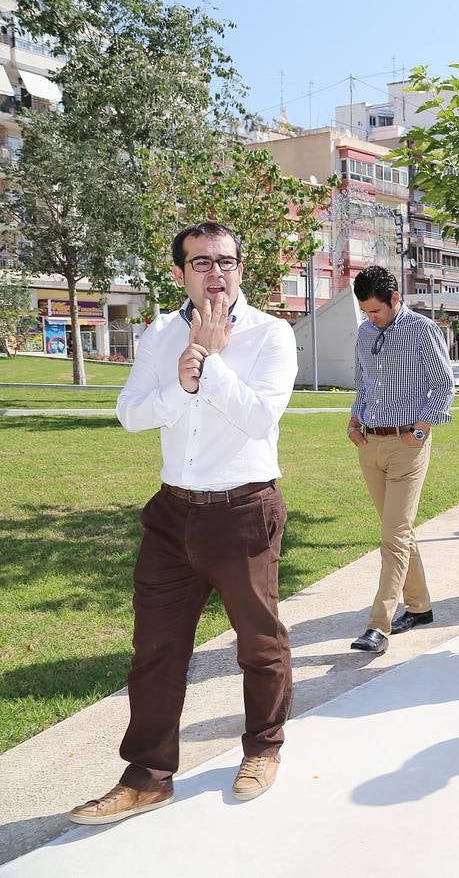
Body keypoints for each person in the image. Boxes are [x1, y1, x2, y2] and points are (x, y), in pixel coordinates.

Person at [71, 222, 297, 825]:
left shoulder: (273, 336)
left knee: (259, 642)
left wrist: (212, 362)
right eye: (201, 262)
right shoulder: (158, 335)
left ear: (242, 268)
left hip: (245, 511)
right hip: (172, 515)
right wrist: (183, 379)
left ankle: (262, 748)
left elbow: (258, 419)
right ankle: (147, 777)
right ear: (179, 273)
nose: (215, 272)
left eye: (226, 261)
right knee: (155, 651)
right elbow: (130, 414)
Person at [346, 266, 454, 654]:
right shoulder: (364, 331)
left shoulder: (422, 329)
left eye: (375, 311)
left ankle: (379, 625)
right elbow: (363, 382)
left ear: (394, 299)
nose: (369, 318)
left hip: (407, 444)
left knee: (392, 537)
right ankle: (421, 607)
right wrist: (354, 421)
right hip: (369, 444)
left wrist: (419, 432)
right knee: (399, 532)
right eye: (364, 312)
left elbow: (444, 386)